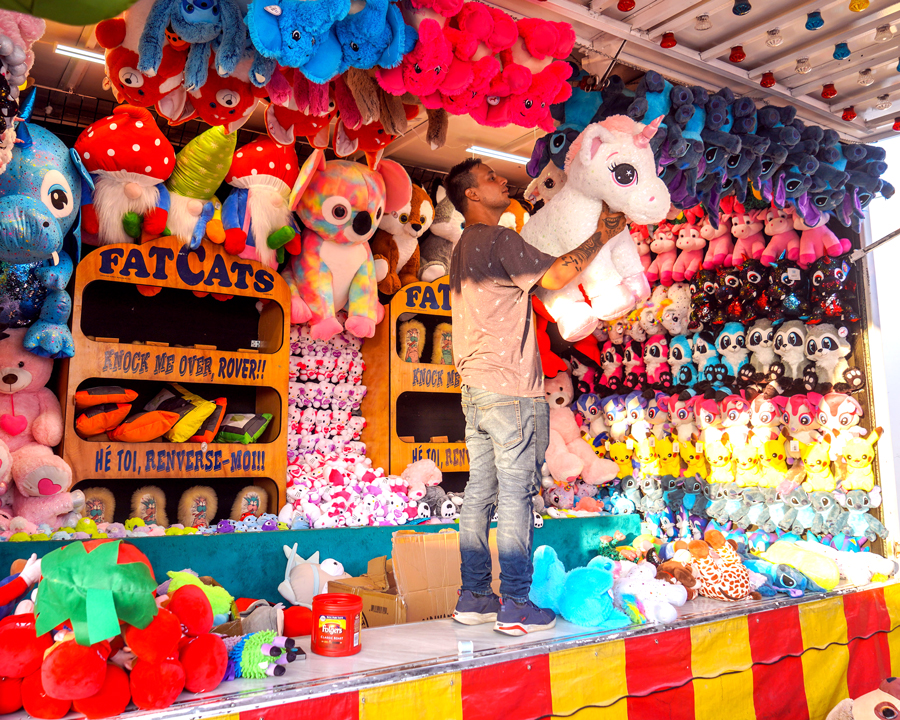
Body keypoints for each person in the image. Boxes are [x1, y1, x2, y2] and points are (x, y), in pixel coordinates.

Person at [445, 158, 627, 636]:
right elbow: (554, 276)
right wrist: (603, 236)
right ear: (471, 196)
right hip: (510, 391)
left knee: (479, 494)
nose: (501, 181)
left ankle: (476, 595)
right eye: (489, 178)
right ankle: (517, 603)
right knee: (517, 497)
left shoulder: (464, 248)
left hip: (476, 389)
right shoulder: (500, 238)